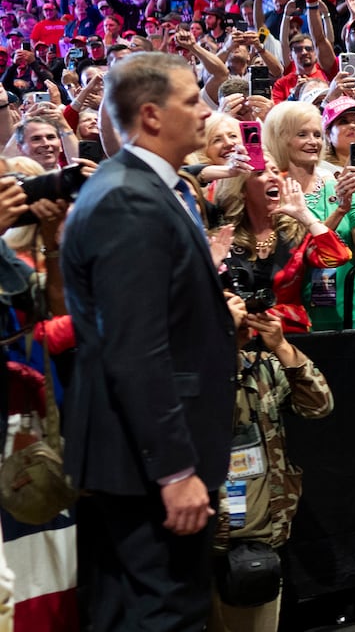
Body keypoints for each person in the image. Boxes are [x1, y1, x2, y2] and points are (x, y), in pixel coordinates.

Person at [60, 51, 236, 630]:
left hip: (139, 458)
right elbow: (135, 350)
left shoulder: (145, 188)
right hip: (144, 468)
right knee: (162, 615)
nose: (206, 113)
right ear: (153, 116)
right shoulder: (128, 199)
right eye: (193, 101)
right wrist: (174, 472)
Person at [209, 294, 334, 632]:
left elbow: (319, 404)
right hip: (203, 537)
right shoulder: (187, 373)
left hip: (259, 537)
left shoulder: (261, 367)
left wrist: (281, 346)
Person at [262, 100, 355, 329]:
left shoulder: (338, 182)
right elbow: (302, 250)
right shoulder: (271, 189)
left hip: (348, 307)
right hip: (294, 315)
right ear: (280, 138)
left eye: (317, 134)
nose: (313, 142)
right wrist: (338, 212)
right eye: (302, 134)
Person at [211, 156, 354, 333]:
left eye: (276, 171)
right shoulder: (223, 238)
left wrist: (304, 215)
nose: (273, 177)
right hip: (238, 337)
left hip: (289, 336)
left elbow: (338, 256)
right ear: (241, 190)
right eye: (261, 173)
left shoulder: (296, 231)